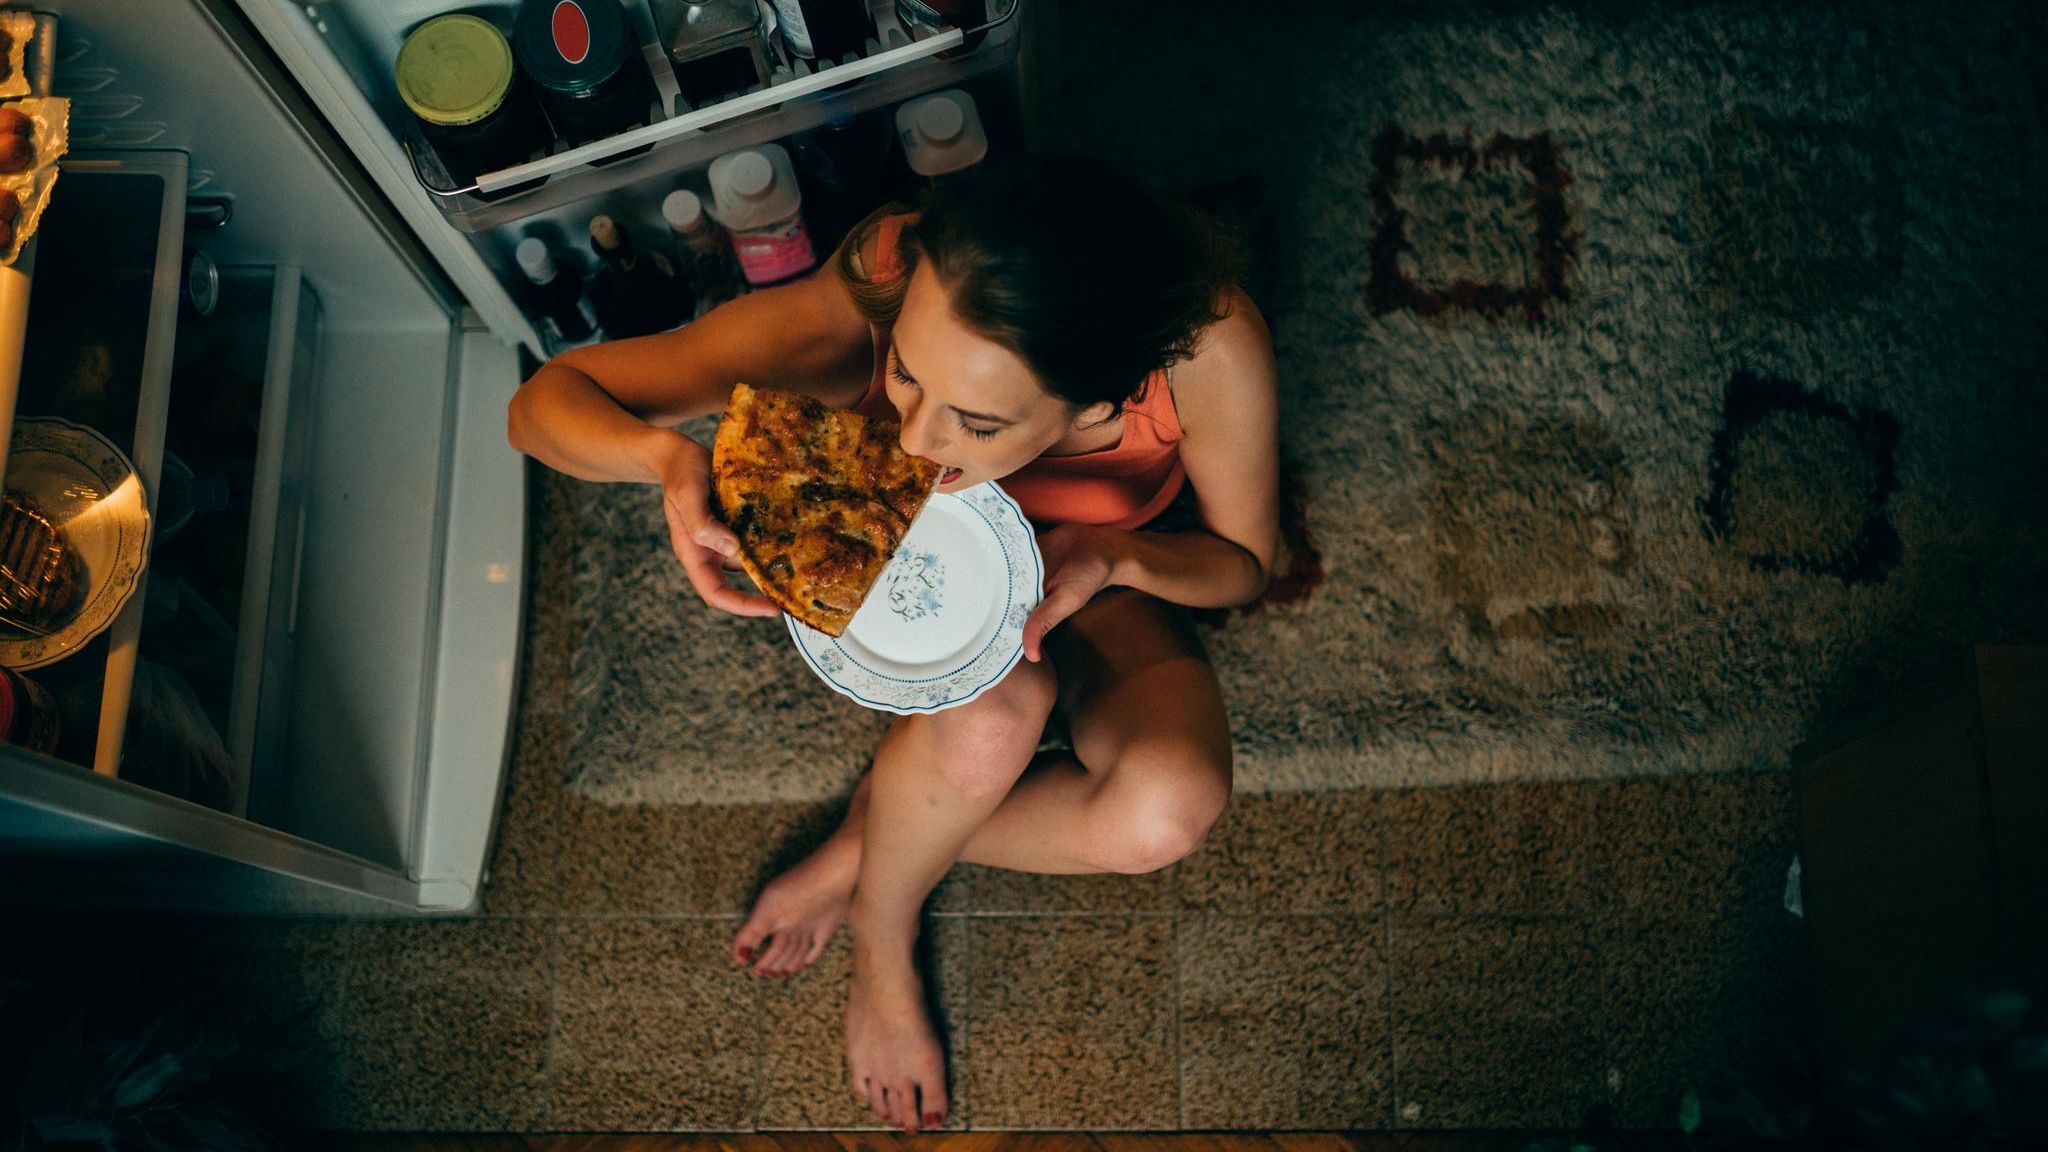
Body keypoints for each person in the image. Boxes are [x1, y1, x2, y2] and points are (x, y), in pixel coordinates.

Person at [507, 152, 1280, 1134]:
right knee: (993, 721)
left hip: (1086, 576)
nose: (917, 440)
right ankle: (883, 929)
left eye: (977, 420)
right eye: (908, 377)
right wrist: (665, 458)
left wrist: (1117, 555)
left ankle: (881, 831)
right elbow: (538, 408)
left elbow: (1243, 562)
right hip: (888, 581)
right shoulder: (881, 279)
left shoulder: (1202, 349)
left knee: (1166, 812)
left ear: (1097, 400)